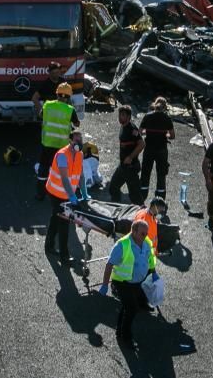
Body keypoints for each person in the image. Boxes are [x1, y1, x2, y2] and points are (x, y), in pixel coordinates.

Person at [99, 219, 158, 347]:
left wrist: (153, 271)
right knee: (132, 308)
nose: (145, 236)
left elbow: (150, 257)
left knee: (127, 307)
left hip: (136, 283)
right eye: (143, 233)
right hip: (122, 283)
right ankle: (126, 337)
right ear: (134, 231)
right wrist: (104, 285)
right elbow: (109, 265)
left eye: (146, 233)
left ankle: (119, 331)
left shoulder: (146, 242)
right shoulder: (122, 245)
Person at [44, 129, 86, 265]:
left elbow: (81, 175)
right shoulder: (62, 155)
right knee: (64, 223)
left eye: (81, 140)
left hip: (67, 194)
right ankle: (64, 256)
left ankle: (49, 246)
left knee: (56, 219)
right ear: (70, 140)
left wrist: (84, 192)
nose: (79, 142)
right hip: (55, 193)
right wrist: (73, 197)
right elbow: (64, 179)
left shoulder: (80, 154)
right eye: (76, 140)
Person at [36, 81, 80, 200]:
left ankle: (40, 194)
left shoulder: (47, 105)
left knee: (43, 169)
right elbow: (77, 123)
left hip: (47, 143)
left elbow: (40, 115)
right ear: (69, 97)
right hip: (61, 147)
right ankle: (58, 194)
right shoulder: (70, 109)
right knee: (61, 171)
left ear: (57, 94)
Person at [139, 96, 175, 199]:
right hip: (162, 150)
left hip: (149, 149)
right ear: (165, 107)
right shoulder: (167, 118)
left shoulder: (147, 116)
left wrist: (149, 132)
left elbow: (140, 132)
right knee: (161, 174)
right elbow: (172, 136)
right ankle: (160, 198)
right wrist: (165, 134)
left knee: (145, 172)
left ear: (154, 105)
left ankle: (142, 196)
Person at [109, 105, 144, 205]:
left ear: (129, 117)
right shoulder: (123, 126)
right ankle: (116, 208)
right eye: (119, 115)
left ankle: (144, 216)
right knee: (113, 187)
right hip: (123, 166)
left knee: (135, 196)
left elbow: (142, 144)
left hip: (131, 167)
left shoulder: (132, 129)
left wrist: (130, 157)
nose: (120, 117)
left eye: (123, 115)